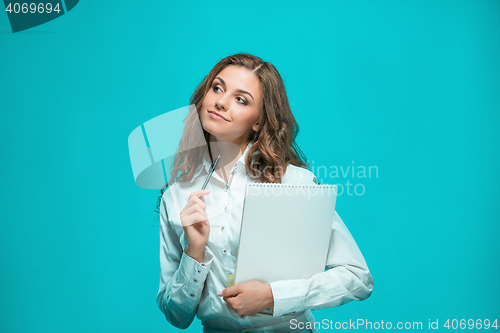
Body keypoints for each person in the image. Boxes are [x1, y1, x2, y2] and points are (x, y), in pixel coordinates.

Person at [156, 53, 373, 333]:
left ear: (258, 121)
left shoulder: (295, 183)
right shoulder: (176, 196)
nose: (221, 101)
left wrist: (273, 296)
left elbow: (358, 277)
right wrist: (194, 252)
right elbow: (176, 315)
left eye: (241, 99)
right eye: (217, 88)